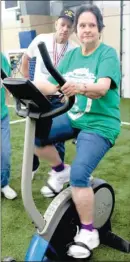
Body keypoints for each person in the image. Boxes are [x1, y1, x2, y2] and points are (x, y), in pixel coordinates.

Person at [33, 4, 121, 258]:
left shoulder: (106, 54)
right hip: (74, 117)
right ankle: (60, 171)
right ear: (76, 30)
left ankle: (88, 231)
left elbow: (102, 87)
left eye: (91, 25)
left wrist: (78, 86)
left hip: (100, 122)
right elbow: (51, 85)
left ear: (100, 29)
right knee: (38, 136)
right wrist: (31, 86)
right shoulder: (70, 56)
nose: (86, 30)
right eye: (81, 25)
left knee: (80, 174)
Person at [21, 8, 78, 179]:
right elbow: (26, 57)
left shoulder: (74, 49)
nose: (65, 29)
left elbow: (73, 75)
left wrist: (65, 92)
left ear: (72, 29)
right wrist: (27, 80)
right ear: (56, 24)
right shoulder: (42, 39)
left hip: (58, 99)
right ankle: (32, 167)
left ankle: (58, 173)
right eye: (62, 24)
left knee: (57, 136)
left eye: (69, 26)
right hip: (38, 96)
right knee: (33, 132)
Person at [1, 53, 17, 200]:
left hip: (1, 116)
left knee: (4, 153)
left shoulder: (2, 58)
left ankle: (3, 184)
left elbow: (8, 83)